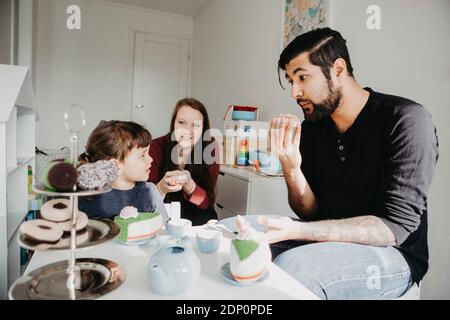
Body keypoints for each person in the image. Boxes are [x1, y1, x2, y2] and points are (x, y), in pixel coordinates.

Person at [251, 28, 439, 299]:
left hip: (394, 253)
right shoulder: (314, 128)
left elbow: (391, 228)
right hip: (329, 241)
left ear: (338, 69)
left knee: (295, 267)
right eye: (290, 80)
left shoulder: (406, 120)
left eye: (302, 77)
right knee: (242, 233)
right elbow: (310, 212)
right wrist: (291, 167)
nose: (295, 92)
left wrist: (299, 230)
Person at [148, 98, 220, 226]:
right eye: (181, 122)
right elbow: (147, 201)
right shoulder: (156, 147)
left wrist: (190, 186)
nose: (187, 130)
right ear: (173, 124)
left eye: (196, 125)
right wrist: (162, 187)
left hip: (198, 214)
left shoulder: (210, 147)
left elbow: (205, 203)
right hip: (162, 212)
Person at [78, 120, 168, 222]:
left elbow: (163, 228)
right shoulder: (87, 196)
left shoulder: (150, 192)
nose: (150, 159)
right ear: (115, 166)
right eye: (143, 155)